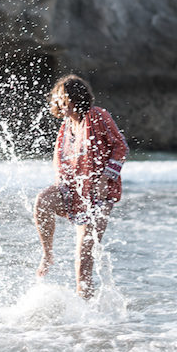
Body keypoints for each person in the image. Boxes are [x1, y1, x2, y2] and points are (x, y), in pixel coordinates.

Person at [34, 74, 128, 298]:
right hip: (73, 191)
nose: (55, 103)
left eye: (59, 98)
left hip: (98, 196)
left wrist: (106, 178)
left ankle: (85, 313)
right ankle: (48, 254)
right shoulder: (66, 126)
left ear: (71, 99)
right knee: (43, 201)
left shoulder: (98, 116)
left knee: (84, 257)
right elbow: (60, 159)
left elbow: (121, 147)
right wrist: (61, 187)